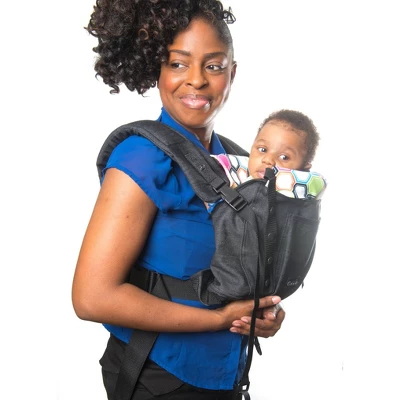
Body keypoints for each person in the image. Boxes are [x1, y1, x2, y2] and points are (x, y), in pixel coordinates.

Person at [72, 1, 285, 400]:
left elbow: (236, 272)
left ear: (232, 73)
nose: (197, 80)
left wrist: (261, 312)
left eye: (214, 65)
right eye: (178, 63)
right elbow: (91, 297)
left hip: (223, 376)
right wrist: (219, 318)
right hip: (159, 377)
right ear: (158, 69)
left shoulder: (235, 162)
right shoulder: (142, 158)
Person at [208, 109, 326, 202]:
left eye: (284, 157)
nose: (268, 160)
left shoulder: (297, 195)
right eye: (263, 149)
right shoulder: (236, 174)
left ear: (304, 168)